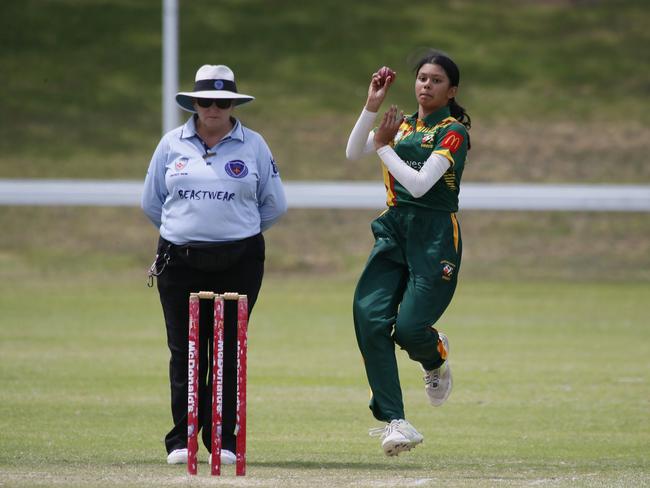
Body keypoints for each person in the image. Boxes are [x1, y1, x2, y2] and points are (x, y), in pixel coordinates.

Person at [141, 64, 287, 465]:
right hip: (179, 261)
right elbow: (153, 203)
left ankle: (222, 437)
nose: (214, 108)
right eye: (206, 100)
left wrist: (234, 229)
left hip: (239, 261)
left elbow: (273, 205)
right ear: (195, 103)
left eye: (223, 101)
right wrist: (186, 230)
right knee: (185, 349)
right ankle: (181, 439)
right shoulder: (171, 144)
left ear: (233, 104)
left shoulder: (253, 145)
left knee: (227, 350)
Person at [345, 50, 471, 456]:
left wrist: (383, 148)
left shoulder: (454, 131)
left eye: (436, 80)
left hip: (434, 236)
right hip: (394, 230)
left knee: (410, 329)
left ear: (451, 90)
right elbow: (351, 152)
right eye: (421, 78)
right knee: (368, 316)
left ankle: (435, 358)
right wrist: (371, 106)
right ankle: (396, 421)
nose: (426, 85)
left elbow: (420, 185)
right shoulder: (402, 126)